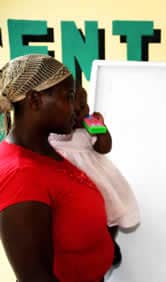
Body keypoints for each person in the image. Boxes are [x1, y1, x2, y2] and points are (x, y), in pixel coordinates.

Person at [0, 54, 114, 282]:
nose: (75, 107)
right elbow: (36, 277)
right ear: (34, 101)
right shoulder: (20, 174)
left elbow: (104, 144)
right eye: (69, 97)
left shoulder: (46, 149)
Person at [49, 86, 140, 268]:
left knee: (111, 209)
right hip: (68, 181)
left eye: (84, 106)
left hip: (96, 179)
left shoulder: (90, 123)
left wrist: (100, 128)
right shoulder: (55, 129)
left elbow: (104, 148)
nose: (81, 111)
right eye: (76, 107)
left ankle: (109, 241)